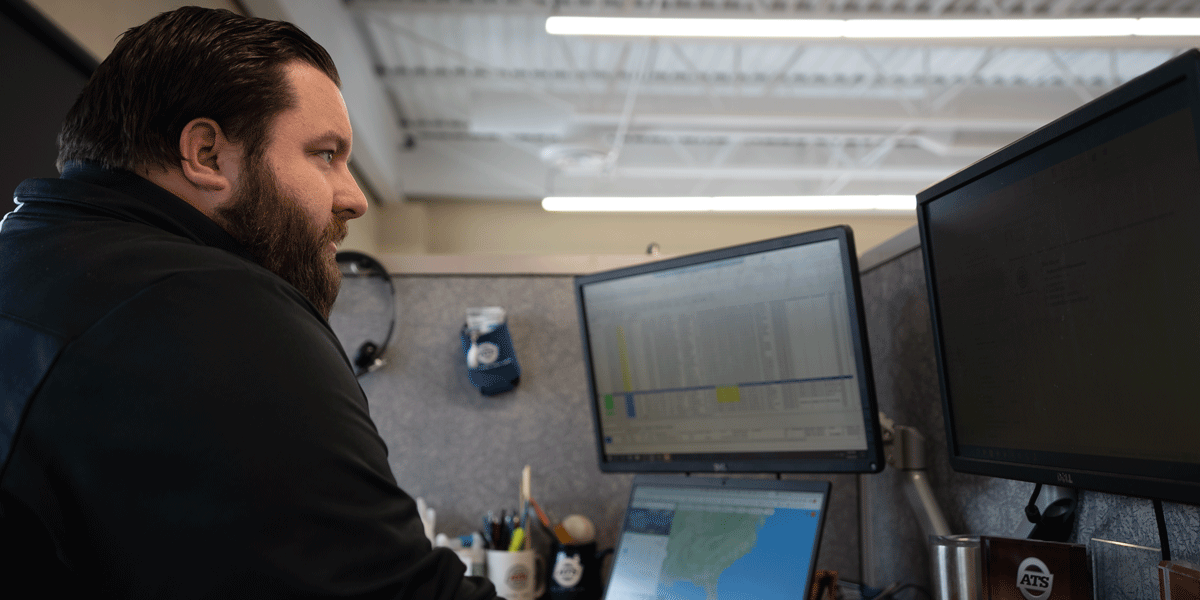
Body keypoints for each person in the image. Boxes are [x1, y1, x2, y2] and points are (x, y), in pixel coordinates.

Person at [0, 7, 496, 599]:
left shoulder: (28, 262)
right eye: (325, 154)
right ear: (207, 154)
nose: (355, 198)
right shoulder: (214, 308)